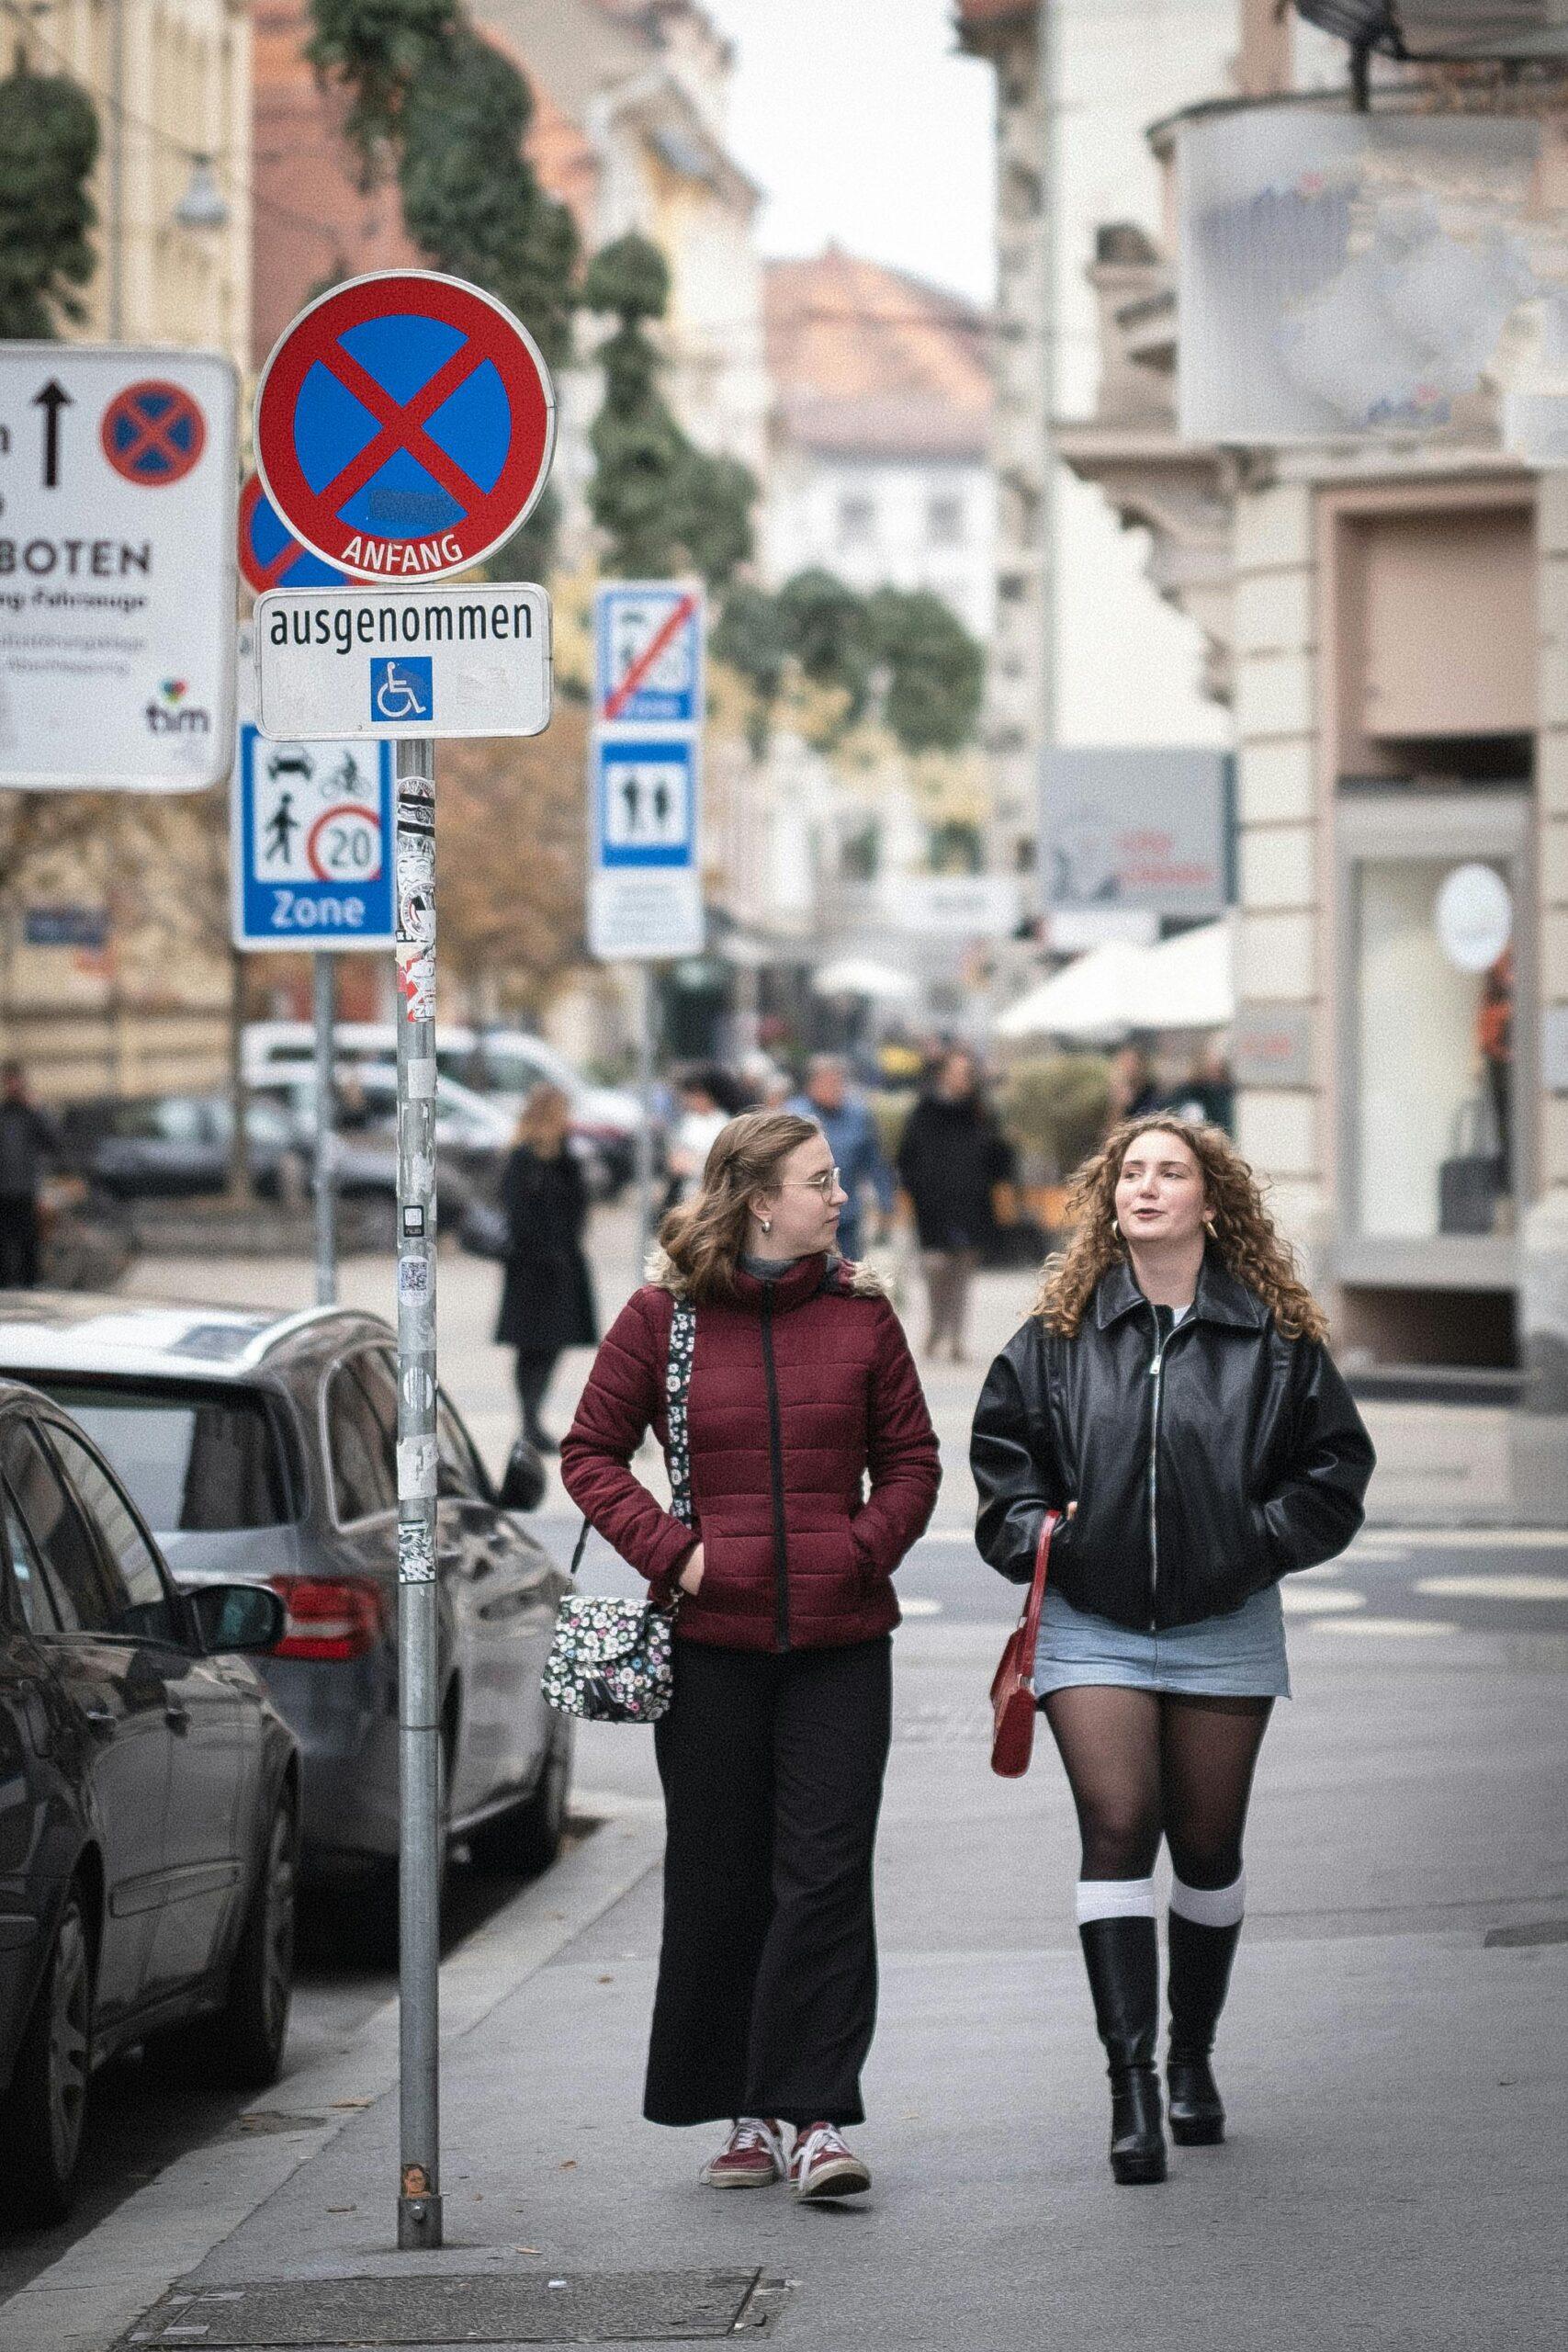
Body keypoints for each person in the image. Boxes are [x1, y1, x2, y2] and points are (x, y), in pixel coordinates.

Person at [970, 1115, 1374, 2188]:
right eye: (1130, 1173)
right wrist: (1043, 1537)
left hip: (1225, 1619)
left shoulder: (1274, 1336)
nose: (1146, 1188)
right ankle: (1132, 2086)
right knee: (1117, 1824)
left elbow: (1334, 1475)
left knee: (1206, 1847)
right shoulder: (1054, 1337)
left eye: (1170, 1173)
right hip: (1092, 1622)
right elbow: (1001, 1471)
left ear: (1211, 1200)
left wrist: (1254, 1544)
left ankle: (1193, 2052)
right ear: (1110, 1198)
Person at [561, 1110, 940, 2201]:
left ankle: (815, 2116)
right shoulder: (662, 1318)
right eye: (820, 1182)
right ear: (760, 1199)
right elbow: (590, 1453)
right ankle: (745, 2112)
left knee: (822, 1876)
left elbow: (912, 1461)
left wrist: (859, 1551)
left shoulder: (863, 1317)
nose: (840, 1196)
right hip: (710, 1645)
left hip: (840, 1646)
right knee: (724, 1878)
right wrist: (675, 1556)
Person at [493, 1084, 597, 1453]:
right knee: (531, 1347)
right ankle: (529, 1422)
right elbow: (520, 1215)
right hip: (533, 1271)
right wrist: (545, 1249)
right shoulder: (524, 1159)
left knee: (551, 1346)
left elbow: (578, 1208)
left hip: (562, 1268)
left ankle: (533, 1421)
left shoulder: (565, 1158)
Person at [896, 1048, 1013, 1361]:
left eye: (968, 1073)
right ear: (944, 1075)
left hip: (973, 1204)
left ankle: (956, 1337)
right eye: (958, 1072)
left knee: (963, 1271)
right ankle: (937, 1326)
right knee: (936, 1267)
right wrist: (916, 1190)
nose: (964, 1079)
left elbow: (999, 1156)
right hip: (933, 1206)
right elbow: (907, 1156)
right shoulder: (925, 1110)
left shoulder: (981, 1112)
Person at [785, 1055, 894, 1261]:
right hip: (805, 1218)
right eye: (827, 1083)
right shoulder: (794, 1115)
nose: (835, 1089)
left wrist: (885, 1202)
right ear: (811, 1085)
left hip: (847, 1215)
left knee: (848, 1274)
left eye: (838, 1083)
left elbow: (875, 1163)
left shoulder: (859, 1116)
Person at [0, 1062, 62, 1289]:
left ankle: (30, 1290)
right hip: (4, 1192)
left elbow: (54, 1141)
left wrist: (38, 1109)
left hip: (27, 1191)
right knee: (4, 1247)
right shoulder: (3, 1113)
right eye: (7, 1081)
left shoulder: (33, 1113)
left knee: (29, 1246)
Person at [1106, 1044, 1159, 1126]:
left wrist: (1120, 1108)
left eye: (1131, 1063)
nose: (1126, 1069)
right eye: (1122, 1063)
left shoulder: (1152, 1098)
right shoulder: (1108, 1096)